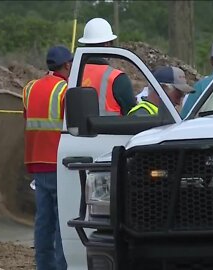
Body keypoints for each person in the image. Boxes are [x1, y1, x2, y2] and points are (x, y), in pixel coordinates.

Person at [22, 45, 71, 270]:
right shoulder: (65, 90)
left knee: (43, 222)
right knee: (62, 223)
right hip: (58, 163)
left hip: (36, 163)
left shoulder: (29, 89)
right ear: (68, 65)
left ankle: (43, 266)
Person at [78, 18, 137, 115]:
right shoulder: (117, 78)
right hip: (111, 130)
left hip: (78, 130)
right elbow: (132, 113)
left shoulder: (72, 73)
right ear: (107, 45)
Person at [129, 66, 194, 116]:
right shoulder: (141, 115)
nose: (178, 102)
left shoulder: (167, 113)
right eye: (177, 96)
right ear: (162, 89)